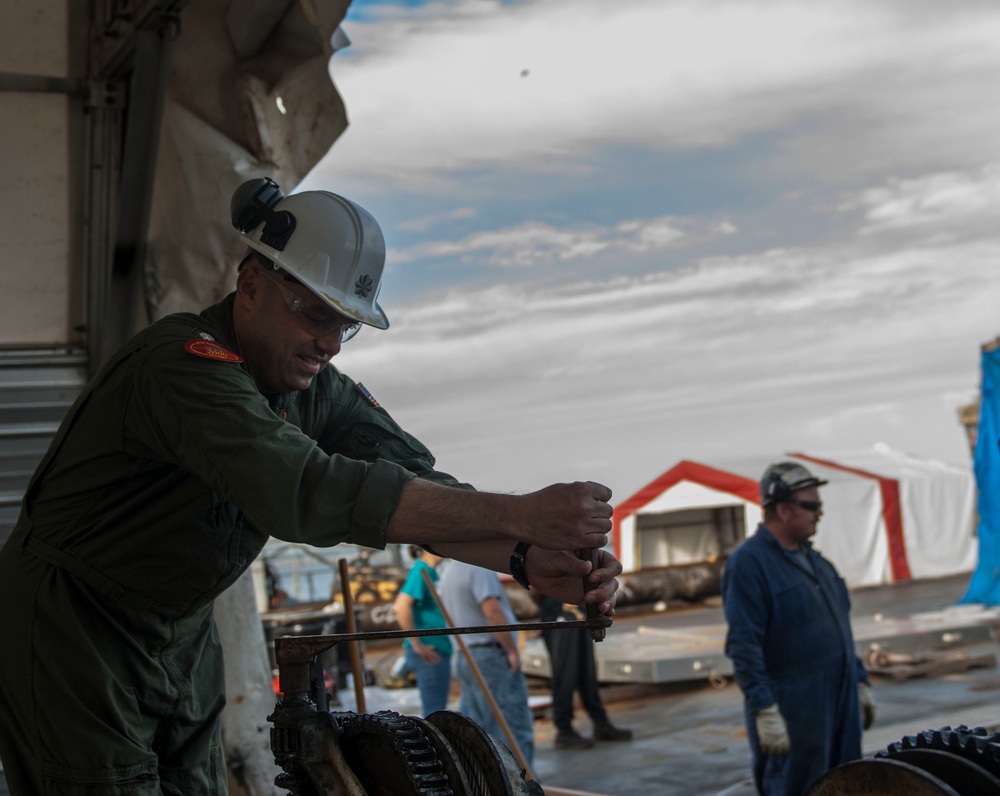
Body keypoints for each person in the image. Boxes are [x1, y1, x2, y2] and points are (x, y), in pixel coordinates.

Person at [0, 178, 622, 796]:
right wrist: (522, 515)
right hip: (76, 629)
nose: (329, 343)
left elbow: (417, 485)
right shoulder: (181, 365)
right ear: (250, 286)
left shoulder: (314, 389)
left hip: (179, 631)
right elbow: (304, 488)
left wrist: (527, 560)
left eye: (346, 324)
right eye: (317, 315)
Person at [722, 462, 875, 796]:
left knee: (847, 785)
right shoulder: (749, 565)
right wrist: (764, 708)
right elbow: (744, 644)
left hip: (839, 701)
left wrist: (860, 679)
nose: (820, 513)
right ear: (783, 509)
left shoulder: (816, 562)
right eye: (812, 505)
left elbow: (841, 629)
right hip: (794, 710)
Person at [438, 561, 536, 766]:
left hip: (467, 656)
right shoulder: (477, 568)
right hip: (490, 657)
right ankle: (521, 785)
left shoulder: (449, 571)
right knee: (511, 728)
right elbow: (492, 612)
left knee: (480, 731)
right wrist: (511, 650)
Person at [538, 595, 632, 749]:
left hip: (580, 608)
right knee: (565, 673)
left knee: (587, 671)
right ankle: (564, 730)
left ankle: (600, 722)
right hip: (559, 610)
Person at [393, 545, 453, 716]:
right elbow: (401, 606)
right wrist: (417, 644)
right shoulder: (421, 571)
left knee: (437, 708)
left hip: (436, 648)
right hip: (429, 652)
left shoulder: (432, 573)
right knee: (435, 712)